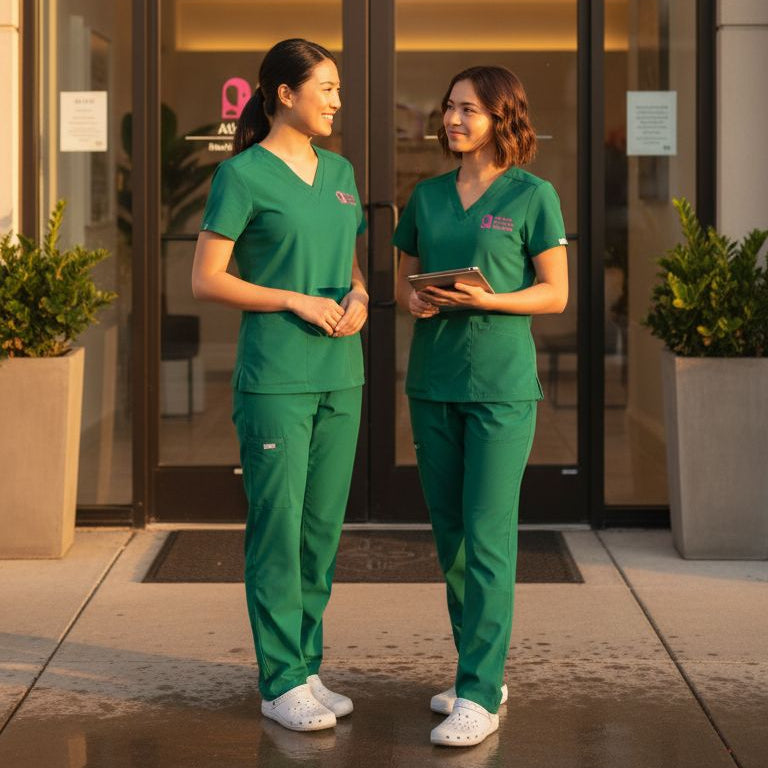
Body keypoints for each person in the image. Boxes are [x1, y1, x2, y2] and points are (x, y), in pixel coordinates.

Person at [191, 38, 368, 733]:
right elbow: (206, 279)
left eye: (338, 89)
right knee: (278, 529)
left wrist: (356, 298)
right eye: (324, 87)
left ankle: (307, 666)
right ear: (283, 94)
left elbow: (349, 266)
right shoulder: (241, 177)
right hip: (276, 380)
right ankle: (279, 679)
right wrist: (294, 300)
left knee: (321, 531)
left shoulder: (343, 171)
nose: (335, 100)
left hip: (341, 376)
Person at [393, 66, 568, 747]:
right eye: (448, 108)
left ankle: (477, 695)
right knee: (453, 540)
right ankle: (481, 673)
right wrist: (413, 297)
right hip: (432, 384)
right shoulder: (429, 195)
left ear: (503, 117)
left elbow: (554, 294)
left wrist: (490, 299)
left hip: (499, 389)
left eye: (468, 109)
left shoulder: (533, 195)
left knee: (489, 537)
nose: (453, 119)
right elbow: (405, 276)